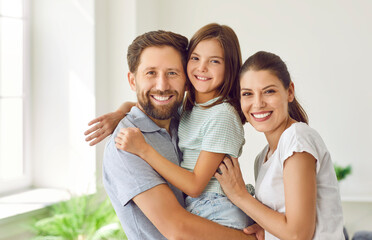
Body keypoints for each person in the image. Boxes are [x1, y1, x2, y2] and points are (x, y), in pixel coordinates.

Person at [98, 29, 258, 240]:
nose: (162, 86)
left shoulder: (180, 117)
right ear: (132, 81)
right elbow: (178, 229)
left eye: (172, 73)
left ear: (185, 79)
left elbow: (195, 185)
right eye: (151, 73)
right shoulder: (127, 145)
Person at [214, 51, 345, 239]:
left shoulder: (297, 138)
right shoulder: (263, 158)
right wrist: (267, 229)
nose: (258, 103)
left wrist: (239, 195)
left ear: (289, 92)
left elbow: (298, 234)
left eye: (269, 91)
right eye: (248, 94)